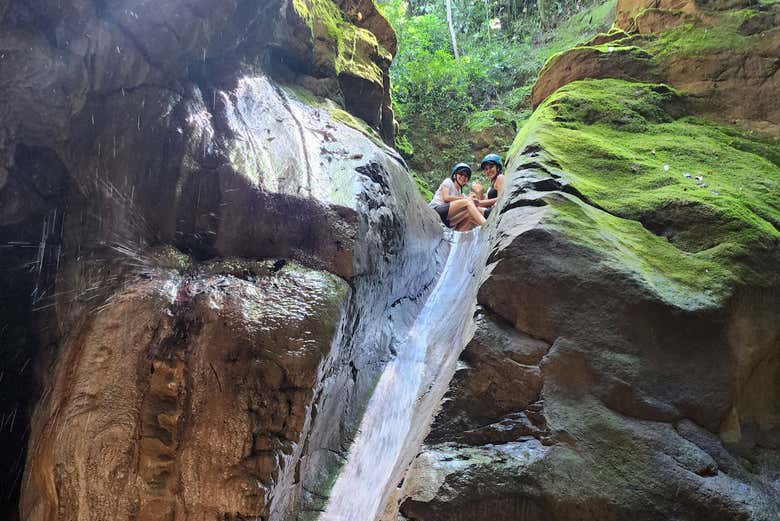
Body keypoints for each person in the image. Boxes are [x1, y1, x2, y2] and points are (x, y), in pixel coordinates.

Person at [429, 163, 487, 231]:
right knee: (468, 202)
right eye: (461, 174)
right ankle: (486, 226)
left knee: (470, 213)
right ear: (454, 176)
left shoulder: (461, 194)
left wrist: (476, 197)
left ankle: (459, 237)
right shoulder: (448, 182)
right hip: (436, 211)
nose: (463, 177)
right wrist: (468, 199)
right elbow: (446, 198)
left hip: (447, 221)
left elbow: (476, 204)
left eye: (466, 176)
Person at [475, 153, 504, 219]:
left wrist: (478, 202)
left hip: (496, 212)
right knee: (470, 208)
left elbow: (501, 199)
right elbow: (483, 205)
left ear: (498, 167)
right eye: (486, 169)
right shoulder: (491, 186)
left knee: (470, 209)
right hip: (491, 212)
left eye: (491, 167)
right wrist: (480, 192)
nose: (488, 171)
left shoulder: (500, 177)